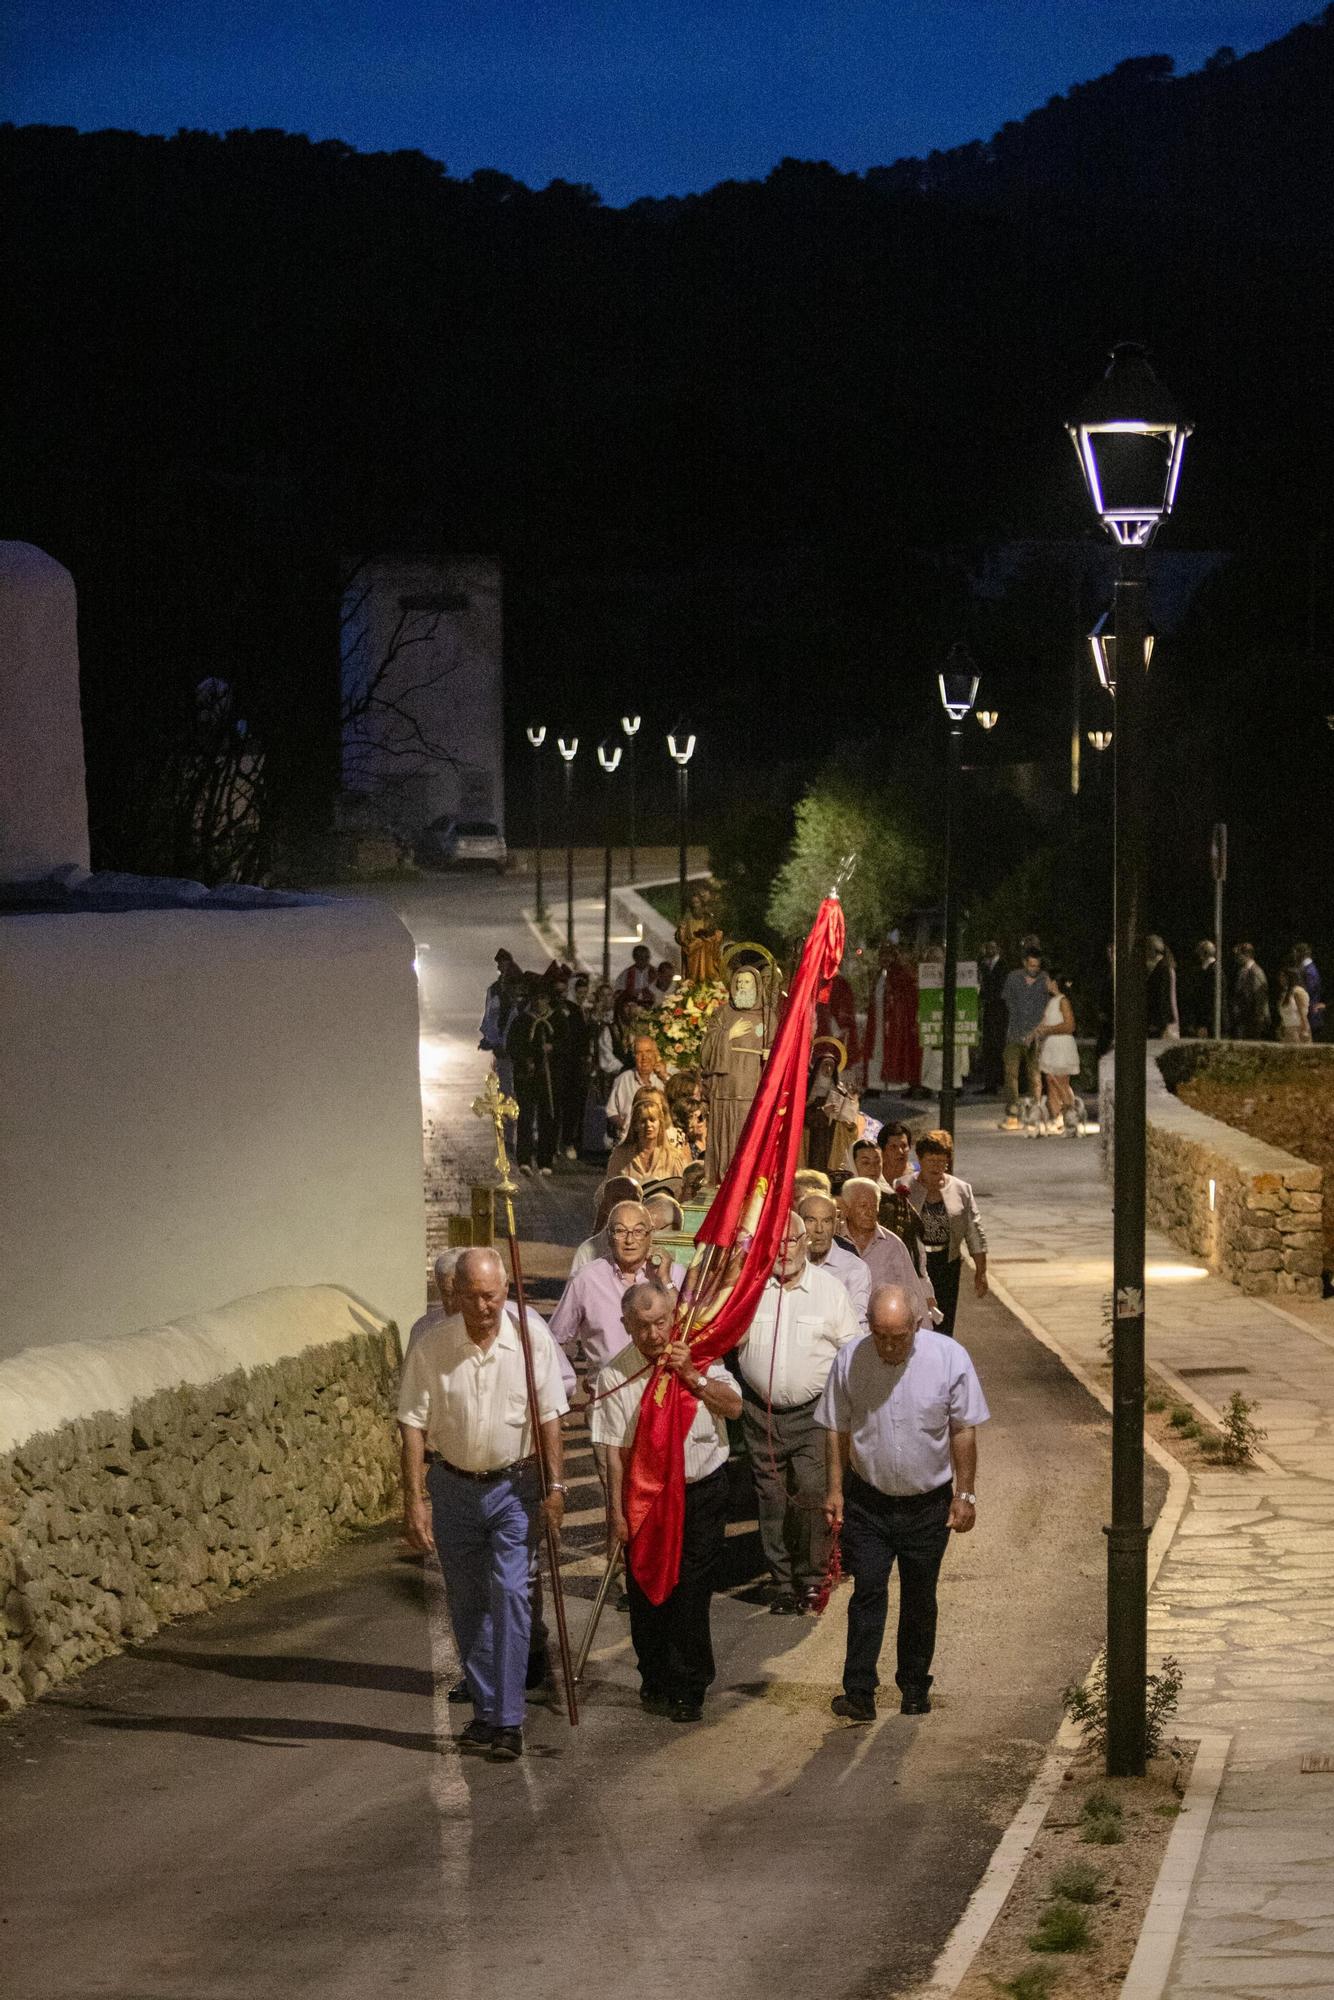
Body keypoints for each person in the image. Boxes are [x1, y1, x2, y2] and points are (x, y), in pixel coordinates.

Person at [398, 1248, 569, 1762]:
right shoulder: (433, 1346)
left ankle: (509, 1719)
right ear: (456, 1295)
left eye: (492, 1295)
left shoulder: (530, 1337)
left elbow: (551, 1417)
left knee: (512, 1594)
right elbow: (411, 1422)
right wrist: (414, 1499)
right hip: (452, 1487)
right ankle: (487, 1712)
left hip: (515, 1488)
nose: (484, 1306)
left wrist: (556, 1487)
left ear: (506, 1289)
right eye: (472, 1296)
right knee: (468, 1603)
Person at [818, 1284, 988, 1720]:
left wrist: (964, 1493)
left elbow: (963, 1429)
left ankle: (914, 1686)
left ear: (917, 1324)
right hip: (868, 1501)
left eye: (899, 1337)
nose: (890, 1346)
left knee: (919, 1596)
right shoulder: (850, 1360)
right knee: (868, 1592)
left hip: (927, 1504)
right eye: (881, 1336)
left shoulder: (949, 1358)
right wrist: (835, 1489)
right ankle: (859, 1692)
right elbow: (835, 1428)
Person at [593, 1280, 742, 1723]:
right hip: (648, 1500)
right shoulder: (615, 1375)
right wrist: (616, 1516)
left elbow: (733, 1408)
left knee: (692, 1593)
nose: (655, 1335)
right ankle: (654, 1677)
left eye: (661, 1322)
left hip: (701, 1491)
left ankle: (689, 1684)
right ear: (626, 1327)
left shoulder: (700, 1352)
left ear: (673, 1315)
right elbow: (614, 1458)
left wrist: (692, 1376)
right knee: (647, 1592)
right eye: (642, 1328)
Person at [735, 1211, 861, 1614]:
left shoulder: (829, 1290)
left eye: (791, 1241)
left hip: (813, 1414)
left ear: (806, 1242)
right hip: (761, 1412)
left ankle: (811, 1578)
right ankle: (782, 1582)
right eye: (775, 1242)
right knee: (771, 1497)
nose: (784, 1250)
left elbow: (850, 1351)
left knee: (810, 1493)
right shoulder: (748, 1289)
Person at [700, 961, 776, 1184]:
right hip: (724, 1089)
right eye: (739, 982)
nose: (743, 986)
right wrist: (728, 1034)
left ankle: (745, 1181)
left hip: (752, 1089)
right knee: (724, 1137)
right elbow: (705, 1052)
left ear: (757, 986)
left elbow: (778, 1050)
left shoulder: (767, 1016)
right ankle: (721, 1179)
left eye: (748, 982)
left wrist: (769, 1054)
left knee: (746, 1136)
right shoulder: (722, 1014)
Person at [907, 1133, 988, 1339]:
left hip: (947, 1262)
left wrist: (981, 1270)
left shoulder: (961, 1189)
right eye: (931, 1161)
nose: (937, 1166)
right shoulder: (904, 1186)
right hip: (914, 1263)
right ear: (920, 1159)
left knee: (944, 1319)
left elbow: (973, 1230)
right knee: (915, 1316)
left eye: (942, 1161)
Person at [839, 1176, 934, 1325]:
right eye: (863, 1205)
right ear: (846, 1208)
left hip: (883, 1333)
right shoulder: (835, 1243)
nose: (870, 1212)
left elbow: (913, 1292)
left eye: (874, 1205)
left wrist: (925, 1338)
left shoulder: (893, 1245)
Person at [506, 981, 559, 1175]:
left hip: (549, 1079)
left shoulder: (557, 1020)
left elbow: (566, 1045)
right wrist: (526, 1059)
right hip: (527, 1077)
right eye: (537, 999)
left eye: (543, 998)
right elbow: (513, 1046)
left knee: (548, 1118)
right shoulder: (522, 1021)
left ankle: (546, 1160)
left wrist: (553, 1048)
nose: (540, 1002)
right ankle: (525, 1159)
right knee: (526, 1118)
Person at [798, 1192, 872, 1331]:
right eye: (811, 1220)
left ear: (835, 1225)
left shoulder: (855, 1269)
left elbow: (858, 1326)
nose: (819, 1230)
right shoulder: (787, 1265)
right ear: (798, 1223)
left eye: (826, 1221)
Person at [862, 943, 921, 1096]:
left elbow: (910, 997)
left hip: (897, 1022)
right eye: (882, 955)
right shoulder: (879, 974)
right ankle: (874, 1085)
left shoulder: (902, 975)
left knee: (895, 1051)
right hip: (878, 1020)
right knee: (876, 1051)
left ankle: (898, 1085)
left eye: (888, 955)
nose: (885, 959)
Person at [1000, 947, 1047, 1126]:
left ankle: (1035, 1109)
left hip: (1036, 1034)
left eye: (1037, 966)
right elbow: (1008, 1004)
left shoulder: (1044, 979)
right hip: (1015, 1032)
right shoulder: (1013, 978)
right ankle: (1013, 1110)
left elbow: (1047, 1007)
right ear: (1024, 963)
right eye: (1031, 965)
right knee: (1011, 1071)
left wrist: (1036, 1031)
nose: (1034, 969)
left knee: (1034, 1073)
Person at [607, 1088, 691, 1184]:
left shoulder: (675, 1158)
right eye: (643, 1121)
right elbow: (609, 1190)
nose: (648, 1125)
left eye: (652, 1120)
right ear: (635, 1125)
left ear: (660, 1124)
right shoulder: (620, 1155)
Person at [804, 1038, 860, 1177]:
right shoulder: (808, 1090)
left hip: (833, 1139)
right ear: (818, 1067)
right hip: (813, 1138)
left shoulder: (841, 1091)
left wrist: (849, 1124)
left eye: (831, 1066)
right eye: (825, 1065)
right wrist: (823, 1111)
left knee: (832, 1171)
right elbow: (802, 1117)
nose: (828, 1069)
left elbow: (850, 1124)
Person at [1033, 972, 1082, 1133]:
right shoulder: (1051, 1001)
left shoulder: (1063, 1001)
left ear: (1054, 982)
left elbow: (1069, 1025)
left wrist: (1049, 1030)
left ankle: (1071, 1115)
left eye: (1048, 980)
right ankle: (1057, 1117)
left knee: (1060, 1081)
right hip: (1050, 1046)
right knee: (1050, 1080)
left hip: (1061, 1045)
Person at [569, 1174, 644, 1273]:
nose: (626, 1205)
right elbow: (577, 1287)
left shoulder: (657, 1245)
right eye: (618, 1199)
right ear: (605, 1206)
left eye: (633, 1199)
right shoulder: (587, 1252)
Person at [606, 1034, 666, 1145]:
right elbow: (611, 1112)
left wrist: (665, 1077)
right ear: (634, 1057)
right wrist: (626, 1126)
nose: (644, 1057)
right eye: (639, 1053)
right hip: (630, 1142)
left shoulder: (662, 1080)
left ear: (656, 1054)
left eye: (648, 1052)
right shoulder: (623, 1080)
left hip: (660, 1142)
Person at [676, 887, 723, 983]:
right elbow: (681, 940)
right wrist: (682, 932)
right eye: (693, 903)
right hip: (692, 960)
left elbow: (717, 936)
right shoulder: (687, 922)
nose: (695, 906)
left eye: (697, 903)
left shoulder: (708, 920)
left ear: (702, 904)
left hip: (707, 959)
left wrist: (707, 938)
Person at [977, 941, 1007, 1095]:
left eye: (993, 947)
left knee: (997, 1045)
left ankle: (998, 1080)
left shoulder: (1003, 966)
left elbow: (999, 987)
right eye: (987, 947)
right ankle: (990, 1083)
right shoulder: (983, 965)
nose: (989, 950)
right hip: (989, 1009)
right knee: (988, 1046)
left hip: (999, 1010)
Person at [1179, 940, 1219, 1039]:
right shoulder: (1210, 970)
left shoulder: (1213, 971)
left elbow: (1210, 999)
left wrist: (1204, 1024)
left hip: (1210, 1023)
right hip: (1209, 1022)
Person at [1232, 943, 1271, 1040]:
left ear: (1247, 955)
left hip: (1253, 1018)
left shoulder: (1256, 971)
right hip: (1244, 1017)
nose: (1237, 958)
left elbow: (1260, 995)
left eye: (1239, 955)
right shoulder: (1243, 971)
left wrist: (1260, 1017)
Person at [1145, 936, 1179, 1039]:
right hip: (1160, 1021)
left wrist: (1159, 1022)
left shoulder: (1163, 969)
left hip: (1160, 1023)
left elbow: (1163, 996)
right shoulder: (1164, 967)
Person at [1293, 943, 1325, 1040]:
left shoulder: (1310, 971)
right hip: (1306, 1013)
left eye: (1295, 953)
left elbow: (1308, 993)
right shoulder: (1306, 969)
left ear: (1301, 954)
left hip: (1310, 1015)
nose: (1294, 956)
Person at [1277, 962, 1313, 1043]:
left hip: (1298, 1031)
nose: (1280, 979)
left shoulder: (1298, 992)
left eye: (1283, 976)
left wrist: (1305, 1030)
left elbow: (1303, 1014)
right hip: (1288, 1031)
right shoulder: (1285, 993)